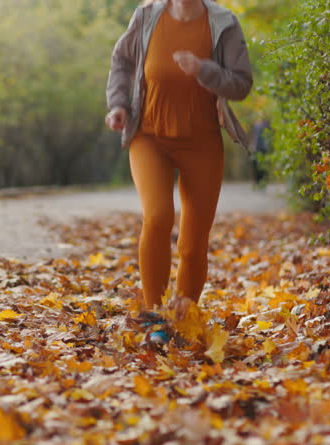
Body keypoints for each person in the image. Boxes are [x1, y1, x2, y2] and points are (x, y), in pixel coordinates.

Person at [104, 0, 252, 346]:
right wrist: (118, 105)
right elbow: (123, 63)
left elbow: (242, 84)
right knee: (157, 216)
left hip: (202, 142)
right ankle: (153, 317)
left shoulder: (222, 23)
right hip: (149, 136)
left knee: (193, 241)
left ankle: (181, 321)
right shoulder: (146, 15)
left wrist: (204, 69)